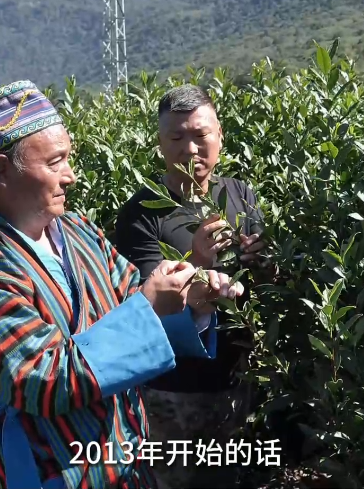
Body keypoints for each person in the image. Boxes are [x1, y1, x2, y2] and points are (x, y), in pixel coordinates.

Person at [0, 79, 244, 489]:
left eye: (69, 158)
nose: (71, 176)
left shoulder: (79, 233)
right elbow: (43, 378)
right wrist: (150, 308)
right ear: (3, 170)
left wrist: (191, 302)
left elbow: (134, 303)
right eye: (55, 162)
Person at [113, 84, 277, 489]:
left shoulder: (239, 194)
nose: (190, 149)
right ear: (160, 144)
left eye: (201, 135)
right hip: (174, 391)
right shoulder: (142, 213)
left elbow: (267, 283)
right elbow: (149, 304)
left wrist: (264, 262)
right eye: (176, 137)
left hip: (239, 379)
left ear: (220, 135)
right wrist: (198, 262)